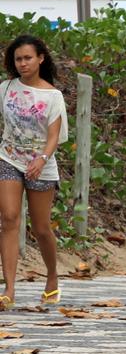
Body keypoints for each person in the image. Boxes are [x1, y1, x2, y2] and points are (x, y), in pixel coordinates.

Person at [0, 34, 68, 311]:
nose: (23, 63)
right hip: (8, 158)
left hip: (41, 165)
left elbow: (54, 135)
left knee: (41, 228)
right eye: (18, 59)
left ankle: (52, 277)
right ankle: (9, 289)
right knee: (8, 218)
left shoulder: (53, 96)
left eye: (28, 58)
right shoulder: (6, 88)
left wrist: (41, 158)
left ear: (41, 58)